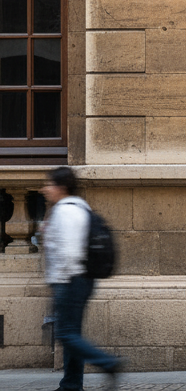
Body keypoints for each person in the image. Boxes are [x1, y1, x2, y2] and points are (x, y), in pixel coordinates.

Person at [41, 166, 124, 391]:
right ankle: (71, 384)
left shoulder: (66, 211)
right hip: (81, 279)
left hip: (70, 280)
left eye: (50, 184)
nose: (45, 189)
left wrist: (62, 281)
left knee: (65, 334)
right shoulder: (80, 208)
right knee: (71, 333)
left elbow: (69, 253)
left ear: (62, 187)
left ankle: (108, 363)